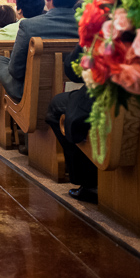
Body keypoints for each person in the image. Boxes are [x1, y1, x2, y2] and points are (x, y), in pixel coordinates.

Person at [0, 0, 81, 101]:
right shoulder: (86, 26)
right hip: (73, 89)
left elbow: (16, 71)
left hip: (31, 93)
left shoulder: (29, 25)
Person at [45, 44, 98, 203]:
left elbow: (73, 71)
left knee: (57, 106)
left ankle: (90, 183)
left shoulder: (103, 32)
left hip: (106, 98)